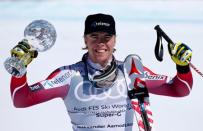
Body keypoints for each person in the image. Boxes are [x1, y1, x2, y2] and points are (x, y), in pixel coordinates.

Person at [10, 13, 193, 131]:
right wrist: (19, 69)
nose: (100, 43)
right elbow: (21, 99)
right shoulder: (68, 76)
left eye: (107, 37)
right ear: (85, 40)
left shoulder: (131, 71)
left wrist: (182, 67)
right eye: (94, 36)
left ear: (115, 40)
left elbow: (179, 89)